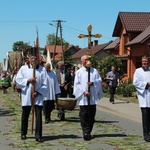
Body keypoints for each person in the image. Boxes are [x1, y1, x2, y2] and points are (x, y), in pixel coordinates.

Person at [15, 55, 47, 142]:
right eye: (32, 58)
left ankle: (38, 135)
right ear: (29, 59)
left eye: (35, 59)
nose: (33, 60)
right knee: (25, 114)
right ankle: (23, 133)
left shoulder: (42, 69)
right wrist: (28, 80)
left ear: (38, 60)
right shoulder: (23, 68)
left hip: (38, 96)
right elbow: (18, 79)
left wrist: (38, 92)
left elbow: (45, 83)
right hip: (27, 95)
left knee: (38, 115)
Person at [73, 55, 103, 141]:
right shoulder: (79, 72)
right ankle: (85, 132)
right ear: (82, 61)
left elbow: (99, 81)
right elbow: (77, 84)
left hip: (92, 97)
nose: (87, 61)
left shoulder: (94, 71)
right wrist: (84, 91)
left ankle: (89, 130)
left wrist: (93, 83)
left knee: (91, 115)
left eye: (88, 60)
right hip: (83, 97)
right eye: (85, 60)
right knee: (84, 115)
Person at [133, 55, 150, 142]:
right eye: (143, 61)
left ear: (148, 62)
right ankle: (146, 135)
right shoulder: (138, 71)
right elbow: (135, 83)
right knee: (145, 117)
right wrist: (146, 84)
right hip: (144, 98)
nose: (144, 63)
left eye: (146, 61)